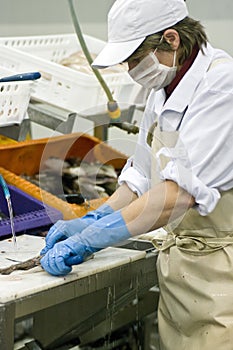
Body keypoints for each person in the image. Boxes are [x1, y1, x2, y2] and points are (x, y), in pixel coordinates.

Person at [40, 0, 233, 348]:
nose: (131, 70)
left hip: (222, 275)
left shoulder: (221, 86)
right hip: (181, 274)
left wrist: (93, 238)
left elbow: (176, 196)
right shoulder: (164, 88)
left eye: (134, 58)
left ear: (172, 39)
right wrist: (92, 218)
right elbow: (142, 174)